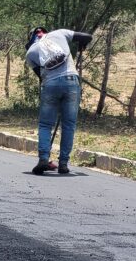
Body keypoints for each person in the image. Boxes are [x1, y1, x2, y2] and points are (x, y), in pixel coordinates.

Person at [26, 27, 92, 175]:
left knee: (45, 125)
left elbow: (41, 76)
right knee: (68, 125)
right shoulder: (59, 33)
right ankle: (63, 164)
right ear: (46, 32)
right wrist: (82, 45)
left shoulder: (30, 52)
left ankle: (43, 159)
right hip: (71, 82)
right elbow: (87, 36)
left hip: (50, 85)